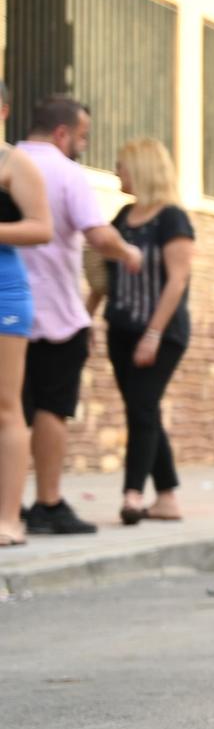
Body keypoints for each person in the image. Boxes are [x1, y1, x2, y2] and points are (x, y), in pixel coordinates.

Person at [18, 96, 141, 536]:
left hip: (7, 312)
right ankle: (48, 503)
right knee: (52, 409)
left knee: (11, 411)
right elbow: (98, 234)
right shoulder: (66, 173)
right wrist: (127, 251)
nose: (83, 147)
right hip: (55, 314)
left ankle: (7, 506)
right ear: (62, 134)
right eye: (83, 138)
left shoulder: (8, 163)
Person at [84, 139, 197, 526]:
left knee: (143, 407)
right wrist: (86, 318)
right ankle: (166, 499)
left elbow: (177, 279)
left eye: (122, 165)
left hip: (163, 332)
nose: (117, 172)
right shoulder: (123, 216)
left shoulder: (172, 219)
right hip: (122, 327)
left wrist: (153, 334)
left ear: (143, 169)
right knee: (141, 407)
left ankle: (133, 494)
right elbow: (104, 275)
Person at [0, 83, 53, 546]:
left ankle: (9, 518)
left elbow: (42, 227)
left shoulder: (15, 164)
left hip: (4, 293)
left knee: (5, 406)